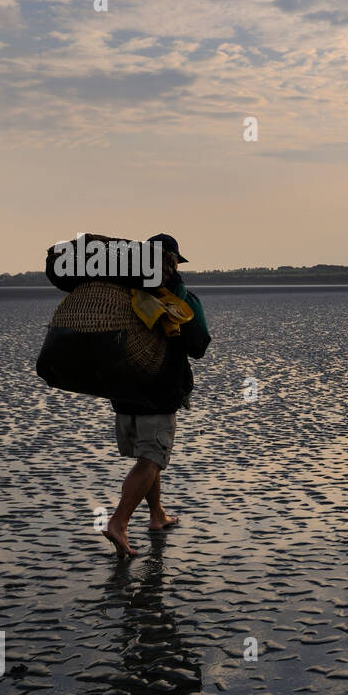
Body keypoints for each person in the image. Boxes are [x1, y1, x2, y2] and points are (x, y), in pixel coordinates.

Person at [103, 233, 211, 557]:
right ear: (174, 262)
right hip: (159, 392)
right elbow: (200, 344)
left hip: (122, 393)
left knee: (148, 457)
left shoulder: (121, 294)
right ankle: (118, 522)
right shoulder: (182, 299)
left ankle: (157, 515)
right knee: (151, 459)